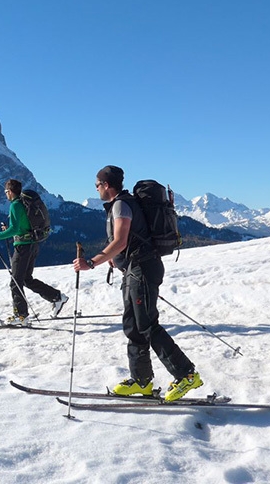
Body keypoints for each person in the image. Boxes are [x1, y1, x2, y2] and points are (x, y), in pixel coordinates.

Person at [73, 165, 203, 402]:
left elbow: (121, 240)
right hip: (134, 271)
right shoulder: (120, 204)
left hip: (142, 270)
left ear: (107, 185)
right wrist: (115, 259)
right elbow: (125, 241)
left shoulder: (122, 204)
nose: (96, 189)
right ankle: (142, 381)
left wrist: (92, 262)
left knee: (147, 325)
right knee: (133, 326)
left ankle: (186, 375)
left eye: (97, 185)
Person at [0, 179, 68, 326]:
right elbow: (21, 226)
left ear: (9, 191)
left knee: (15, 281)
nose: (5, 195)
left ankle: (21, 316)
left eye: (5, 192)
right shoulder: (23, 203)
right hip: (32, 244)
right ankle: (57, 297)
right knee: (26, 279)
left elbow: (15, 229)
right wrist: (9, 230)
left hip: (23, 247)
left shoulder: (15, 205)